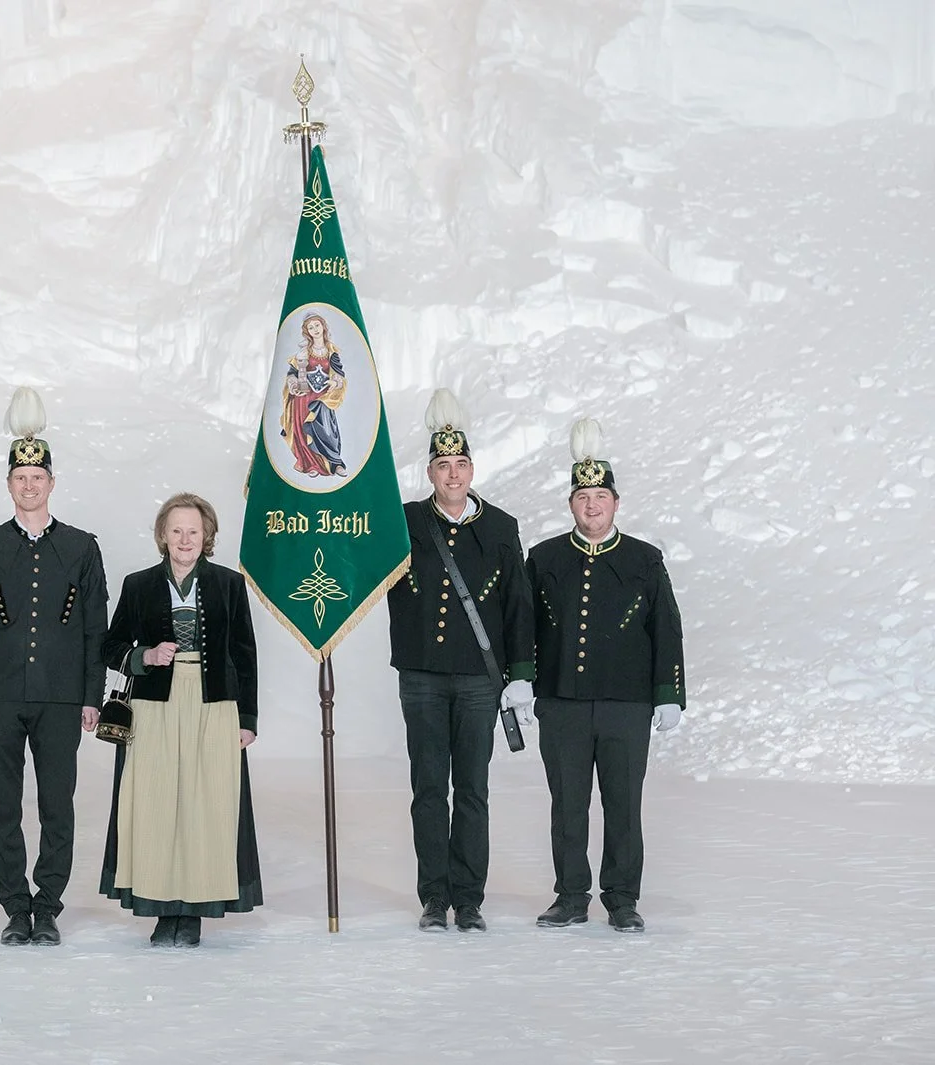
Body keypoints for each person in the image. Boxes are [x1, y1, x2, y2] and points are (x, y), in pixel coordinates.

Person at [0, 387, 108, 946]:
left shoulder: (81, 547)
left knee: (56, 805)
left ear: (51, 482)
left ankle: (48, 906)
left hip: (63, 697)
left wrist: (93, 695)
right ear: (10, 485)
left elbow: (97, 629)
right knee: (3, 805)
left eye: (37, 477)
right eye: (20, 478)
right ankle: (14, 906)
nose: (29, 485)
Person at [526, 418, 686, 933]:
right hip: (563, 702)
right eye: (582, 497)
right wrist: (519, 680)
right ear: (570, 504)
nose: (591, 505)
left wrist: (668, 694)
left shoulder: (644, 559)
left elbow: (667, 628)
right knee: (568, 805)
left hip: (626, 704)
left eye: (600, 495)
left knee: (623, 804)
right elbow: (522, 624)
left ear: (616, 502)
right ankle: (571, 896)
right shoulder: (544, 558)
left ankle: (621, 899)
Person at [384, 389, 535, 932]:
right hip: (421, 674)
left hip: (477, 680)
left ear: (473, 469)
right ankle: (433, 895)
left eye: (461, 464)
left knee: (472, 788)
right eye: (443, 465)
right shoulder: (400, 522)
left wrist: (520, 676)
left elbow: (518, 606)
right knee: (428, 788)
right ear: (430, 472)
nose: (453, 474)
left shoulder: (501, 528)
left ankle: (468, 898)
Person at [98, 493, 262, 948]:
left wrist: (246, 718)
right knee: (152, 801)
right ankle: (161, 906)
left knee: (206, 803)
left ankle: (192, 911)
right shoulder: (138, 584)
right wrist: (143, 656)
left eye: (193, 531)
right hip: (154, 704)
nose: (185, 539)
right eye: (176, 531)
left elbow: (244, 655)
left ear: (207, 535)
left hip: (213, 705)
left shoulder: (229, 584)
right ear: (163, 536)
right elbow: (110, 648)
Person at [278, 312, 348, 477]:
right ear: (306, 331)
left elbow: (339, 375)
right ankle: (310, 465)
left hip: (321, 399)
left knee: (328, 432)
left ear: (323, 326)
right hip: (302, 399)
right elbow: (291, 374)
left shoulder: (332, 352)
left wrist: (335, 382)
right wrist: (294, 384)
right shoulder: (303, 353)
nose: (315, 329)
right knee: (303, 433)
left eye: (317, 325)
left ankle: (335, 463)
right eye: (310, 327)